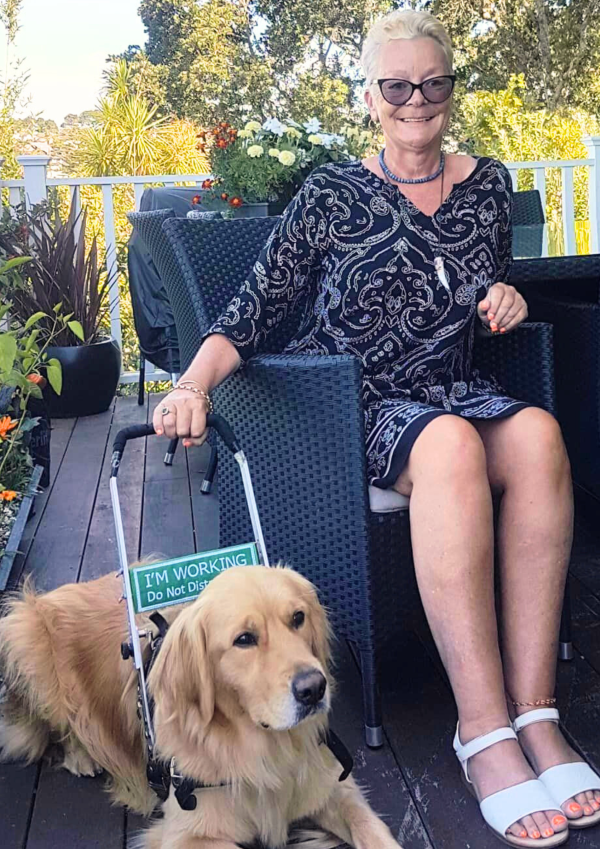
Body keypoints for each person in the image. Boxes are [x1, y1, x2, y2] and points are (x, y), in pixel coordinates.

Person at [153, 9, 600, 845]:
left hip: (455, 387)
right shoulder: (330, 193)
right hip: (357, 402)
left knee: (539, 434)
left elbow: (486, 294)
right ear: (370, 96)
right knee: (450, 445)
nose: (416, 100)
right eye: (397, 85)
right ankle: (484, 729)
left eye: (432, 83)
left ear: (450, 90)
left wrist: (508, 300)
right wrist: (190, 388)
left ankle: (536, 712)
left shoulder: (489, 186)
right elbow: (247, 316)